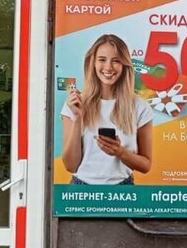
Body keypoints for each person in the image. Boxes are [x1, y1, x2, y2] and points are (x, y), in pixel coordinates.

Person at [60, 34, 153, 185]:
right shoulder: (75, 104)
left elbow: (146, 165)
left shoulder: (140, 107)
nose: (108, 67)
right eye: (102, 60)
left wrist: (120, 152)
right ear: (93, 63)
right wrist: (77, 119)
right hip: (81, 189)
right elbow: (70, 166)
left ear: (124, 65)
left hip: (123, 189)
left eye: (116, 61)